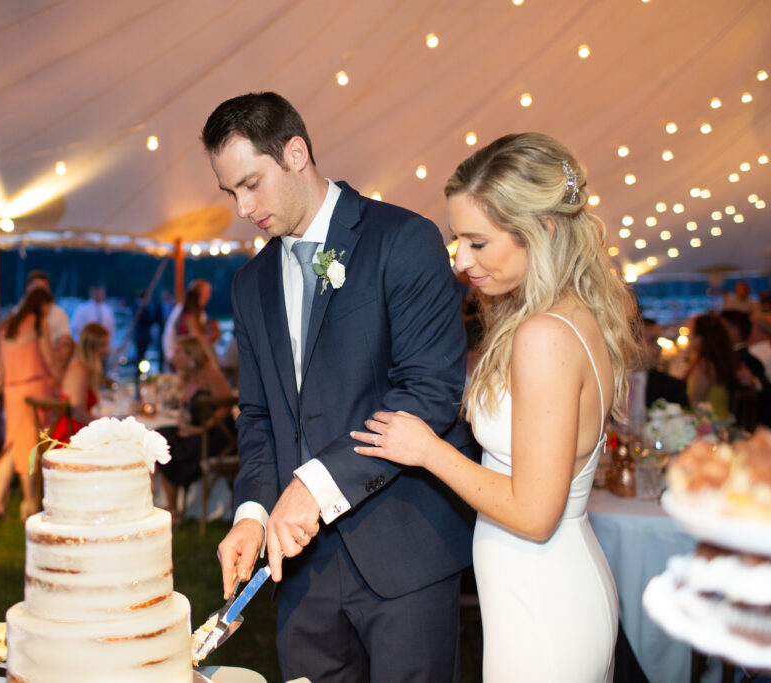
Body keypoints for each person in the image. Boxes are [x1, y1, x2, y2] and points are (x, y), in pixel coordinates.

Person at [203, 92, 476, 681]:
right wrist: (251, 512)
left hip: (404, 555)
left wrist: (313, 485)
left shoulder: (402, 239)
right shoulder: (250, 284)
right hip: (300, 568)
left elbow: (428, 391)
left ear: (296, 153)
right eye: (231, 193)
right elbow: (257, 417)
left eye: (252, 183)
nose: (244, 208)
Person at [353, 133, 639, 681]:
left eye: (478, 243)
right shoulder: (570, 316)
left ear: (544, 231)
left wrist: (428, 451)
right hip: (541, 588)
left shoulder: (544, 336)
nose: (460, 261)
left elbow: (534, 514)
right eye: (458, 240)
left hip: (544, 604)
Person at [0, 287, 61, 523]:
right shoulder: (39, 323)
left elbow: (0, 362)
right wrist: (59, 383)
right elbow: (49, 358)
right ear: (42, 305)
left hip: (12, 390)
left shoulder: (9, 324)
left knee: (12, 446)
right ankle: (29, 503)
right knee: (28, 447)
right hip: (34, 389)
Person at [156, 336, 235, 524]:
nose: (174, 356)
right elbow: (188, 411)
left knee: (171, 447)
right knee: (161, 437)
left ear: (191, 354)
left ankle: (174, 510)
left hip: (217, 435)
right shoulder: (187, 378)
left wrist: (202, 429)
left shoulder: (210, 373)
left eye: (178, 352)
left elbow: (226, 405)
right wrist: (185, 424)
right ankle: (173, 509)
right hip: (198, 434)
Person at [624, 318, 689, 429]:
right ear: (632, 343)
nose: (659, 347)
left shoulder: (672, 387)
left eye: (658, 341)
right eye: (652, 341)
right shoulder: (608, 382)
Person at [51, 322, 111, 442]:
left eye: (107, 344)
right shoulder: (79, 370)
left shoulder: (85, 370)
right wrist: (104, 427)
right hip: (70, 436)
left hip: (79, 431)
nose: (107, 349)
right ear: (91, 347)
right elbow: (77, 412)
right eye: (102, 345)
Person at [685, 314, 740, 419]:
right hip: (720, 421)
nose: (688, 337)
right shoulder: (716, 362)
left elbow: (694, 404)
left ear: (700, 338)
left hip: (709, 426)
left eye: (689, 332)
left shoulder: (705, 366)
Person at [25, 270, 74, 369]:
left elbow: (65, 345)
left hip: (49, 369)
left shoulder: (59, 314)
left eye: (43, 289)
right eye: (37, 289)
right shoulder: (17, 314)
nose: (40, 294)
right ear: (28, 289)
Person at [161, 279, 217, 365]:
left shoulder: (195, 313)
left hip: (180, 357)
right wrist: (212, 336)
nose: (209, 296)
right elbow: (196, 339)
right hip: (183, 359)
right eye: (207, 292)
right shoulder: (188, 313)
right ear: (199, 293)